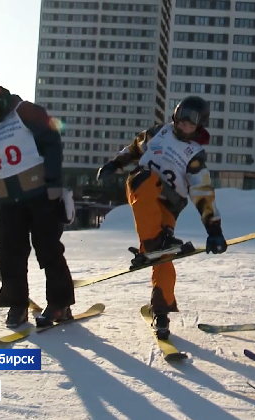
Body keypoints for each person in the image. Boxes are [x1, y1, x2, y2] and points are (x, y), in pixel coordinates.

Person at [96, 95, 227, 339]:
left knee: (163, 257)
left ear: (200, 124)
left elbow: (202, 191)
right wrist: (115, 164)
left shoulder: (194, 156)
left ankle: (161, 311)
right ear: (175, 115)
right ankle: (154, 243)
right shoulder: (158, 133)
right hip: (143, 188)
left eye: (191, 121)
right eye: (181, 117)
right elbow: (134, 148)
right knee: (146, 178)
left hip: (169, 204)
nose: (184, 124)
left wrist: (214, 230)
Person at [0, 74, 76, 328]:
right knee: (10, 254)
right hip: (9, 201)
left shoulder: (24, 112)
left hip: (41, 195)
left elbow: (52, 144)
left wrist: (54, 183)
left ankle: (60, 304)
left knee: (48, 249)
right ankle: (17, 305)